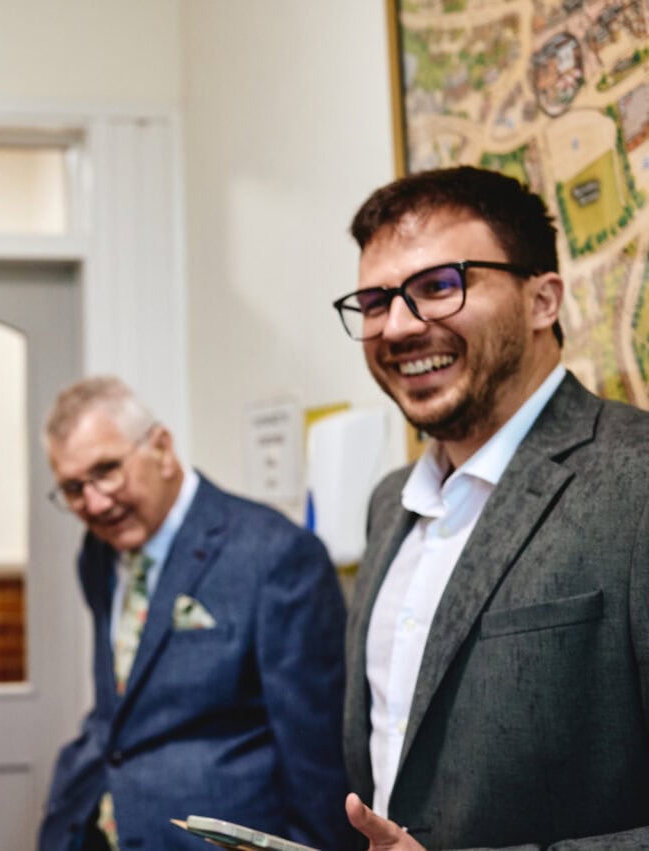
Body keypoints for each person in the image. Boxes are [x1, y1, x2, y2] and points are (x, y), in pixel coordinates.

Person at [333, 165, 649, 849]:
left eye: (438, 287)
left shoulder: (637, 482)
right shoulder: (388, 505)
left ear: (543, 300)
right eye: (374, 300)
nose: (396, 327)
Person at [37, 376, 352, 851]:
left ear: (161, 448)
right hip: (94, 825)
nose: (96, 503)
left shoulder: (276, 557)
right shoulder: (97, 553)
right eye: (74, 488)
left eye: (106, 471)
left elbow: (317, 756)